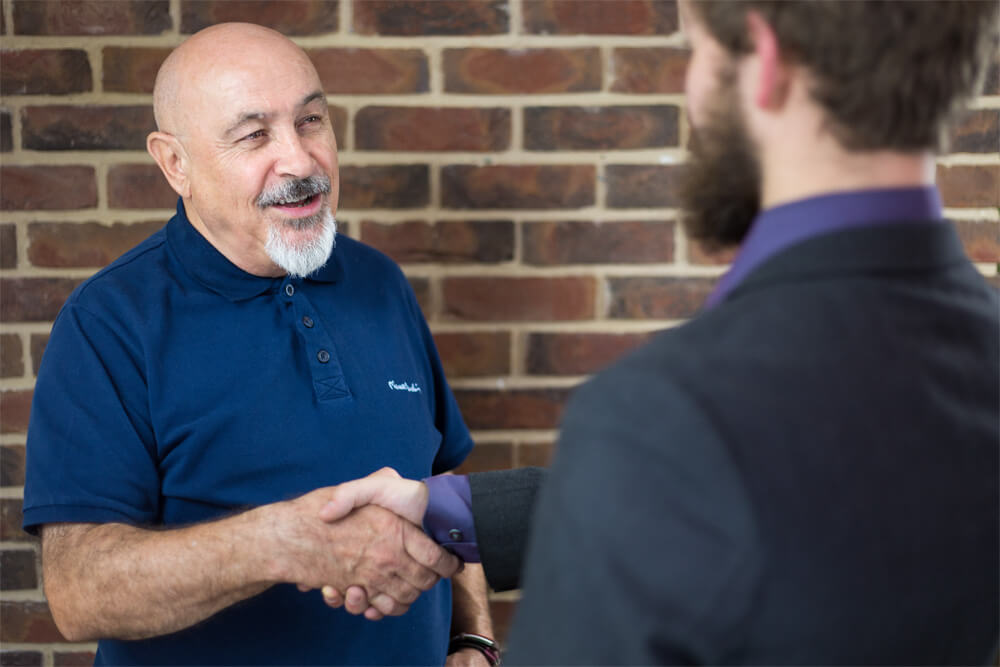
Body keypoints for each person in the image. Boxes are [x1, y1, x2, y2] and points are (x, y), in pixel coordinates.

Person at [312, 1, 1000, 663]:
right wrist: (455, 509)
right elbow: (837, 482)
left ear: (765, 61)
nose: (690, 85)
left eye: (694, 50)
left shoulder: (665, 413)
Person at [21, 22, 495, 666]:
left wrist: (473, 637)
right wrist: (280, 543)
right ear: (175, 164)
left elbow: (441, 473)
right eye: (254, 135)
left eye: (311, 121)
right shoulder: (109, 322)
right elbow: (80, 592)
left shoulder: (379, 281)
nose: (300, 161)